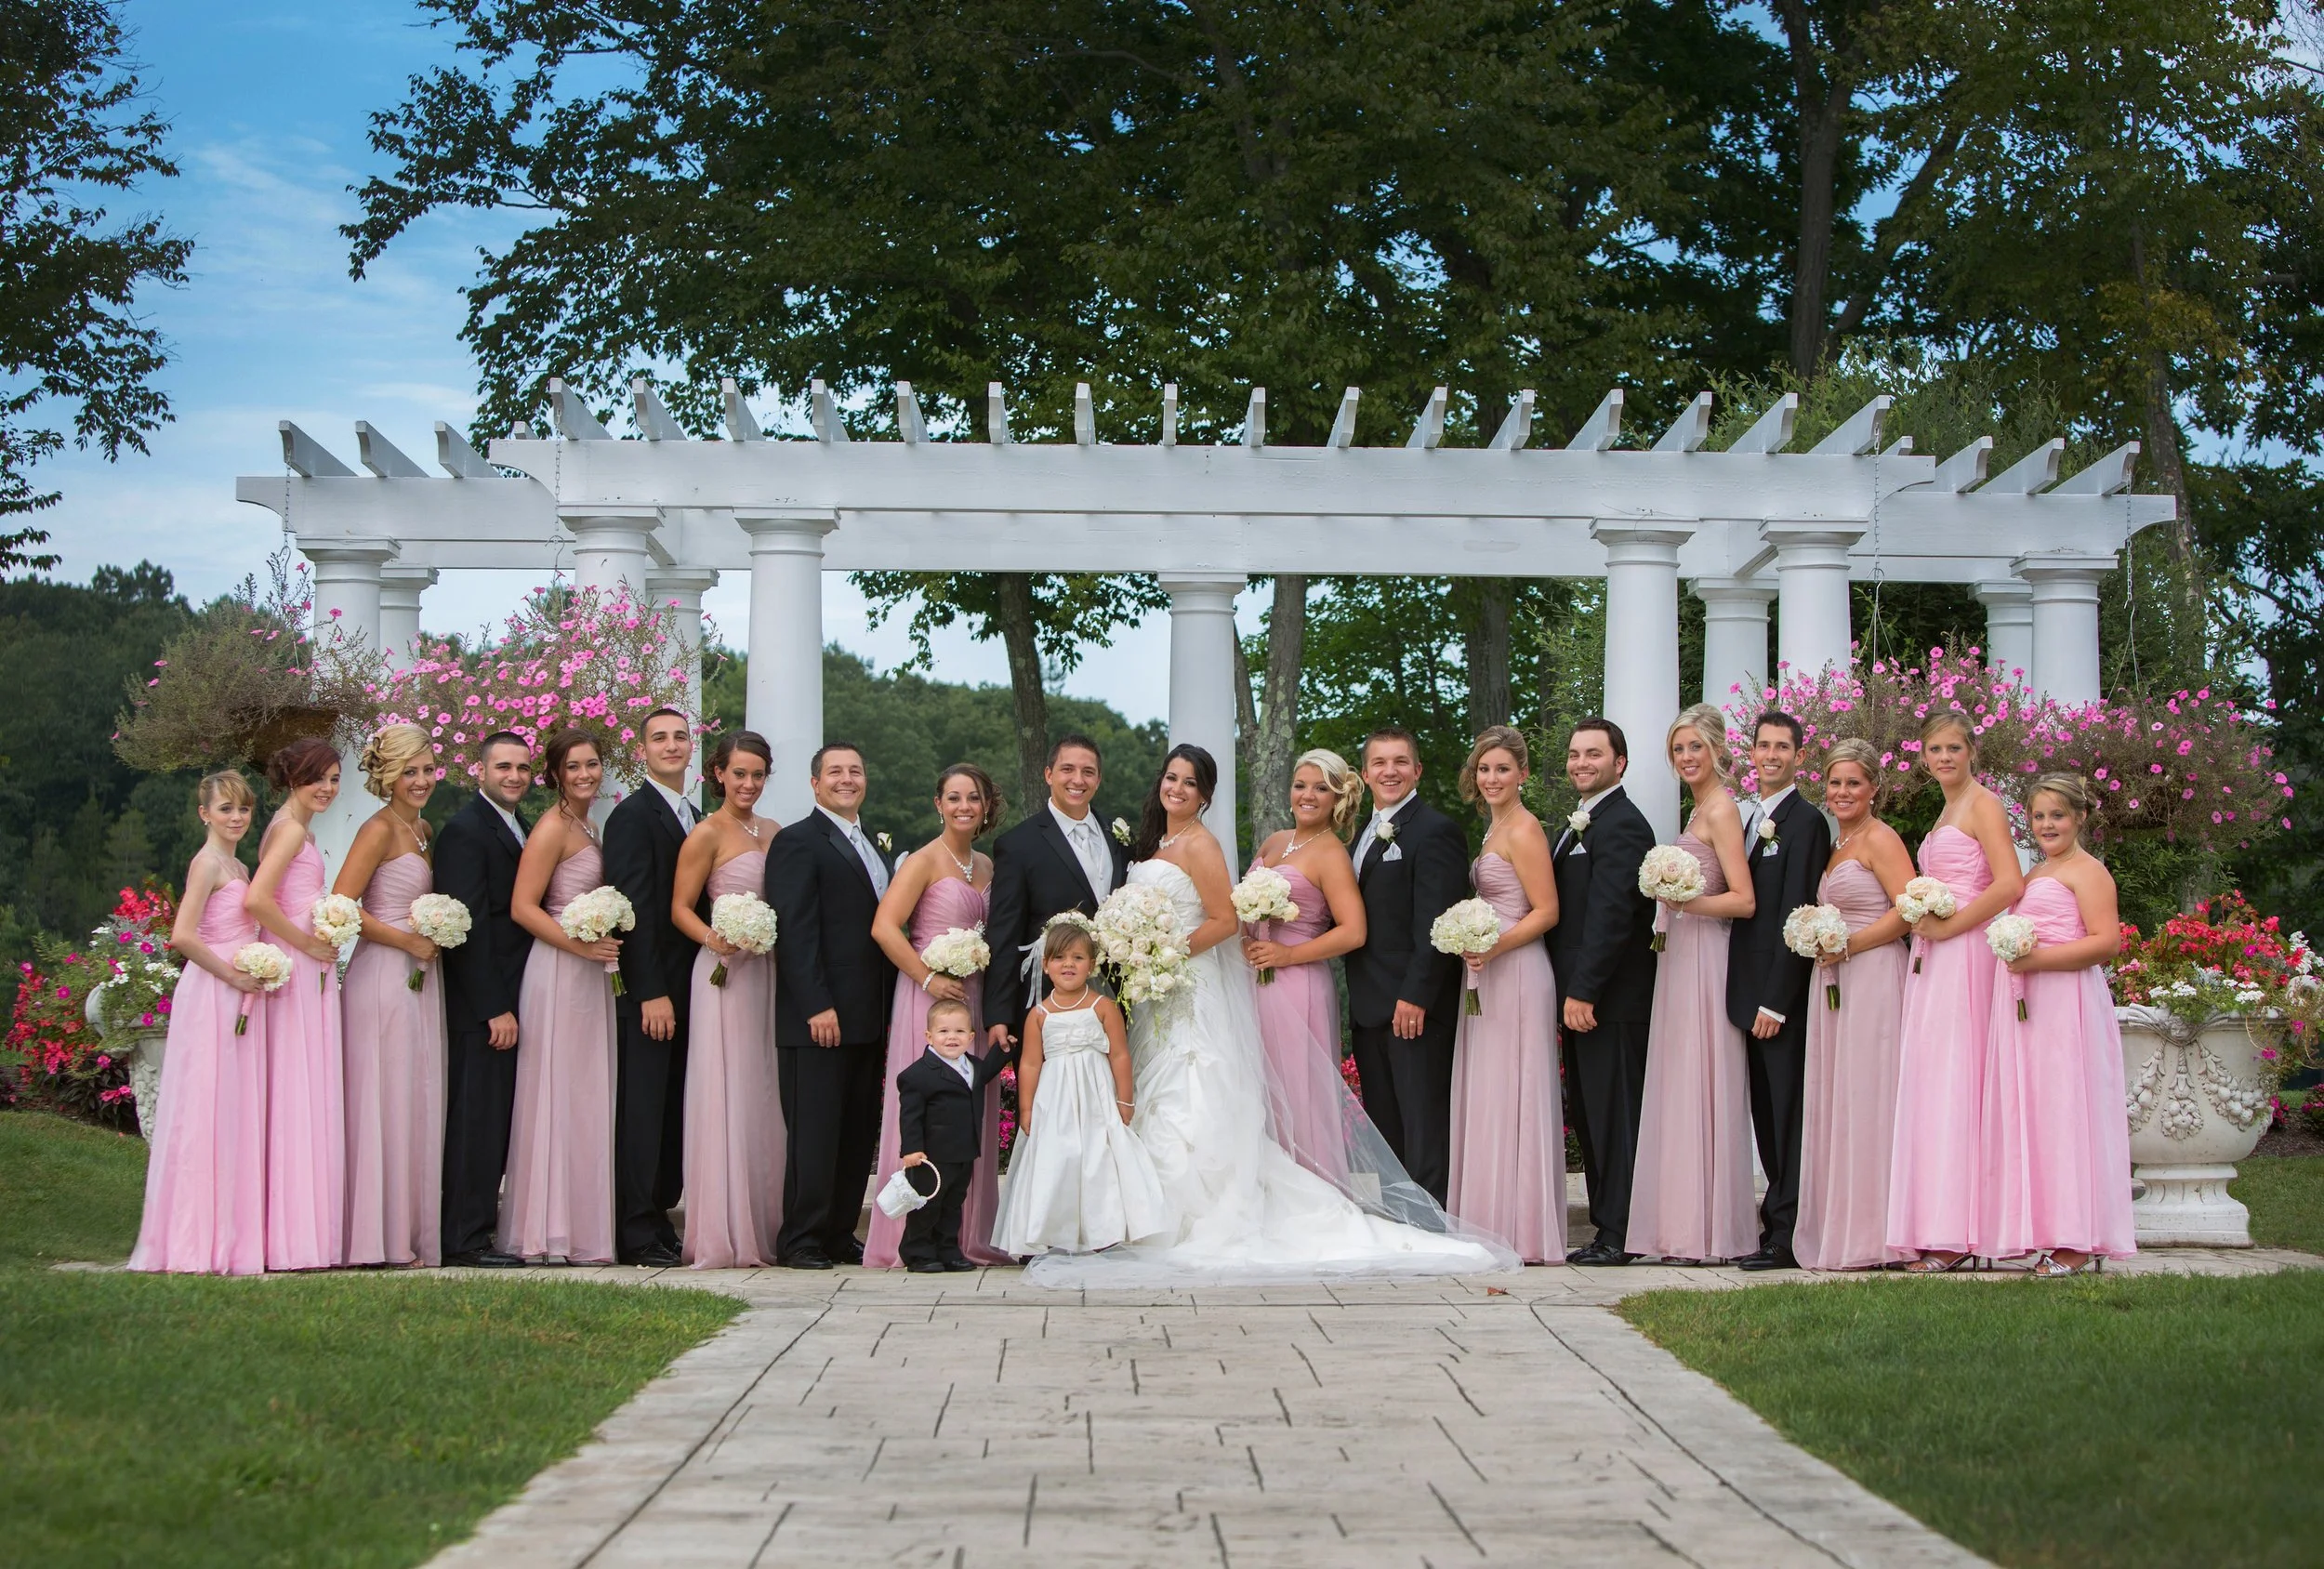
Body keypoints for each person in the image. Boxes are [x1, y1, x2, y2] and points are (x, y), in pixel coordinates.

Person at [1022, 745, 1515, 1287]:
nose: (1178, 789)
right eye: (1171, 778)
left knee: (1210, 1092)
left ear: (1206, 795)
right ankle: (1144, 1213)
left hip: (1253, 980)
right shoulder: (1259, 843)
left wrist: (1166, 950)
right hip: (1193, 989)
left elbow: (1234, 920)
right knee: (1201, 1096)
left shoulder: (1257, 846)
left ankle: (1215, 1211)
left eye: (1191, 783)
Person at [1976, 775, 2136, 1274]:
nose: (2047, 825)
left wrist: (2037, 959)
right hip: (2030, 1006)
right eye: (2040, 815)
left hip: (2067, 1005)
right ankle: (2043, 1229)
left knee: (2067, 1114)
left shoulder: (2089, 872)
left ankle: (2075, 1239)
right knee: (2037, 1115)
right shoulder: (2039, 869)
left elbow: (2106, 943)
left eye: (2058, 815)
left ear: (2080, 818)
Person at [1887, 710, 2026, 1272]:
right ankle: (1942, 1225)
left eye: (1953, 748)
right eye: (1934, 750)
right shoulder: (1948, 807)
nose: (1944, 758)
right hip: (1936, 953)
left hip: (1966, 954)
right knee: (1935, 1084)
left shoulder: (1984, 804)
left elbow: (2010, 882)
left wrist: (1949, 926)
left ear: (1972, 752)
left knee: (1956, 1084)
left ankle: (1956, 1235)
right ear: (1923, 758)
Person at [1627, 705, 1759, 1264]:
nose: (1686, 758)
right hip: (1680, 952)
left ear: (1717, 750)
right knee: (1679, 1081)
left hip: (1707, 952)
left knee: (1703, 1079)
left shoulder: (1723, 809)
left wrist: (1685, 901)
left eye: (1695, 748)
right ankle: (1680, 1223)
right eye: (1678, 750)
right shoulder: (1699, 807)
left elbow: (1745, 899)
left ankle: (1708, 1230)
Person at [865, 763, 1006, 1269]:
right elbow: (884, 927)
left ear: (985, 806)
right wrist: (927, 978)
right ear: (938, 804)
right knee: (925, 1113)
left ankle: (962, 1236)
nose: (964, 806)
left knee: (965, 1114)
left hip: (974, 998)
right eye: (953, 797)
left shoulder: (988, 866)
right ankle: (911, 1240)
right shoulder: (923, 861)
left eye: (973, 798)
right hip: (927, 997)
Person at [129, 771, 269, 1275]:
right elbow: (183, 936)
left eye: (243, 809)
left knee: (230, 1108)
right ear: (203, 814)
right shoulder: (207, 864)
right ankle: (191, 1239)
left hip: (238, 991)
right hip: (212, 990)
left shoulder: (239, 864)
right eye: (226, 809)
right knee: (205, 1106)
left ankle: (228, 1234)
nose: (236, 818)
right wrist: (233, 975)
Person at [768, 742, 899, 1269]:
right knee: (815, 1133)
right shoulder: (798, 842)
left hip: (869, 1014)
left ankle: (839, 1232)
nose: (847, 779)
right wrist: (816, 1004)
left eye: (856, 770)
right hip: (819, 1018)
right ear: (815, 783)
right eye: (836, 772)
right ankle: (800, 1238)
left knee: (854, 1131)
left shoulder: (871, 845)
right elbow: (795, 932)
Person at [1444, 726, 1566, 1264]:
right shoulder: (1493, 829)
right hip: (1486, 972)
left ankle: (1524, 1230)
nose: (1492, 778)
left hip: (1517, 973)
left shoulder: (1524, 830)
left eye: (1502, 769)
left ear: (1522, 774)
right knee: (1490, 1092)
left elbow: (1546, 911)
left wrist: (1492, 947)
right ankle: (1488, 1222)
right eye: (1484, 769)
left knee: (1515, 1092)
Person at [500, 730, 623, 1264]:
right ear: (554, 774)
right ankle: (547, 1230)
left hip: (589, 971)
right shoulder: (551, 828)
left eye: (592, 764)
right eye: (573, 767)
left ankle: (582, 1226)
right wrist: (578, 945)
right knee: (556, 1090)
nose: (584, 775)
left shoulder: (588, 824)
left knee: (585, 1092)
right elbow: (524, 908)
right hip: (557, 968)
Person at [1792, 740, 1915, 1272]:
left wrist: (1850, 946)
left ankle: (1880, 1234)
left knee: (1870, 1096)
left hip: (1872, 975)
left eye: (1853, 783)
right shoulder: (1839, 842)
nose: (1842, 792)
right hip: (1835, 979)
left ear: (1873, 790)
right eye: (1835, 782)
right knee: (1841, 1098)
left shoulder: (1881, 839)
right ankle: (1843, 1227)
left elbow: (1908, 909)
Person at [333, 723, 446, 1268]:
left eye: (427, 769)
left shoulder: (423, 828)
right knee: (384, 1095)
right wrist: (407, 940)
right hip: (381, 975)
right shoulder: (377, 829)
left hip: (420, 976)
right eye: (410, 772)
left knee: (413, 1096)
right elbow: (340, 906)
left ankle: (405, 1231)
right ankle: (372, 1235)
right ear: (389, 775)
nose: (421, 780)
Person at [669, 732, 784, 1269]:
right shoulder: (706, 834)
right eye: (739, 773)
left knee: (764, 1089)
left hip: (767, 971)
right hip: (723, 973)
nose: (749, 784)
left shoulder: (775, 832)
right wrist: (717, 939)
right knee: (728, 1087)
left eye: (758, 774)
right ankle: (723, 1227)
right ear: (718, 774)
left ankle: (766, 1222)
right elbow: (680, 908)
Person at [989, 920, 1170, 1258]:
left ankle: (1104, 1231)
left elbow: (1119, 1054)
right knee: (1057, 1159)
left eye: (1077, 957)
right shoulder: (1038, 1014)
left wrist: (1125, 1100)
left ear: (1092, 964)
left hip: (1095, 1096)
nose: (1068, 964)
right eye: (1059, 958)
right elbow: (1030, 1063)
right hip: (1054, 1099)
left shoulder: (1102, 1007)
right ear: (1045, 965)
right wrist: (1026, 1108)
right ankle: (1048, 1232)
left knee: (1099, 1158)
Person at [1724, 710, 1834, 1271]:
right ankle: (1774, 1224)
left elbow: (1799, 914)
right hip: (1744, 992)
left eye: (1782, 747)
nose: (1770, 755)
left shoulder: (1806, 821)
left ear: (1798, 755)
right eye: (1763, 746)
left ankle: (1788, 1235)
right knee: (1765, 1116)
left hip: (1775, 999)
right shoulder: (1747, 819)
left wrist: (1776, 1000)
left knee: (1787, 1115)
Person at [1548, 719, 1659, 1266]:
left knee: (1616, 1116)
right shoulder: (1582, 822)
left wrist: (1584, 991)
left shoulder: (1624, 826)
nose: (1580, 763)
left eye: (1593, 754)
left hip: (1610, 1002)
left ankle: (1621, 1232)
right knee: (1593, 1117)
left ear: (1620, 762)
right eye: (1574, 754)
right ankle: (1606, 1228)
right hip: (1582, 998)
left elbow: (1612, 917)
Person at [1344, 726, 1470, 1206]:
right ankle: (1399, 1223)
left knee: (1423, 1124)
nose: (1389, 771)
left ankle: (1432, 1223)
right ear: (1365, 773)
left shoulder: (1435, 830)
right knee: (1387, 1127)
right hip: (1369, 1004)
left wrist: (1416, 995)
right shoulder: (1360, 834)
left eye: (1400, 762)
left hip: (1412, 1006)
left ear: (1417, 770)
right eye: (1379, 762)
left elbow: (1436, 925)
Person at [1240, 748, 1368, 1185]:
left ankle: (1315, 1193)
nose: (1307, 795)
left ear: (1337, 798)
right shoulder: (1275, 841)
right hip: (1255, 979)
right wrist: (1245, 940)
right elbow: (1245, 909)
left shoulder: (1331, 853)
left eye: (1320, 788)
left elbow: (1354, 931)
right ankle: (1270, 1193)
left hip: (1298, 982)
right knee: (1260, 1089)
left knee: (1300, 1092)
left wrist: (1287, 955)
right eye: (1301, 785)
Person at [433, 732, 535, 1268]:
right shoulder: (465, 832)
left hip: (515, 995)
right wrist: (493, 1007)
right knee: (476, 1118)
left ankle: (480, 1229)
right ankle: (464, 1237)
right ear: (481, 771)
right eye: (503, 767)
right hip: (482, 1007)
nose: (514, 776)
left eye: (521, 767)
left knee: (495, 1117)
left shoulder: (518, 826)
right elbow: (465, 928)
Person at [245, 736, 348, 1272]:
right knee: (295, 1087)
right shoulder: (287, 830)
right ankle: (291, 1234)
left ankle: (301, 1227)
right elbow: (257, 900)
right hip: (294, 966)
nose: (328, 788)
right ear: (291, 780)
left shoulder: (297, 829)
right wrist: (305, 941)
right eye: (317, 778)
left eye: (334, 778)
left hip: (308, 967)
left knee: (304, 1086)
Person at [605, 706, 701, 1268]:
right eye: (659, 738)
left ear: (692, 747)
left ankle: (660, 1217)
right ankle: (635, 1228)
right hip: (655, 991)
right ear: (641, 750)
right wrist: (649, 991)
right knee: (642, 1109)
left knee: (670, 1109)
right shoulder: (632, 817)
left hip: (693, 989)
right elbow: (632, 910)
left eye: (680, 737)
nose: (671, 746)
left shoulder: (694, 813)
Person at [983, 733, 1128, 1049]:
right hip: (1048, 1004)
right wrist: (998, 1014)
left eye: (1088, 772)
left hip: (1118, 1001)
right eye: (1067, 769)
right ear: (1048, 775)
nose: (1078, 779)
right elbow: (1005, 934)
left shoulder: (1118, 836)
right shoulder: (1017, 846)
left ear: (1098, 779)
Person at [894, 997, 1020, 1272]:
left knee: (953, 1205)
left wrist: (1005, 1047)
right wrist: (911, 1149)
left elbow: (987, 1071)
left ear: (971, 1036)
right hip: (930, 1156)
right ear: (929, 1036)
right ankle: (918, 1252)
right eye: (944, 1031)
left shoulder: (972, 1065)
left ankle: (948, 1249)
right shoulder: (917, 1075)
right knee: (927, 1206)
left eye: (960, 1032)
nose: (952, 1037)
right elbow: (910, 1116)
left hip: (963, 1151)